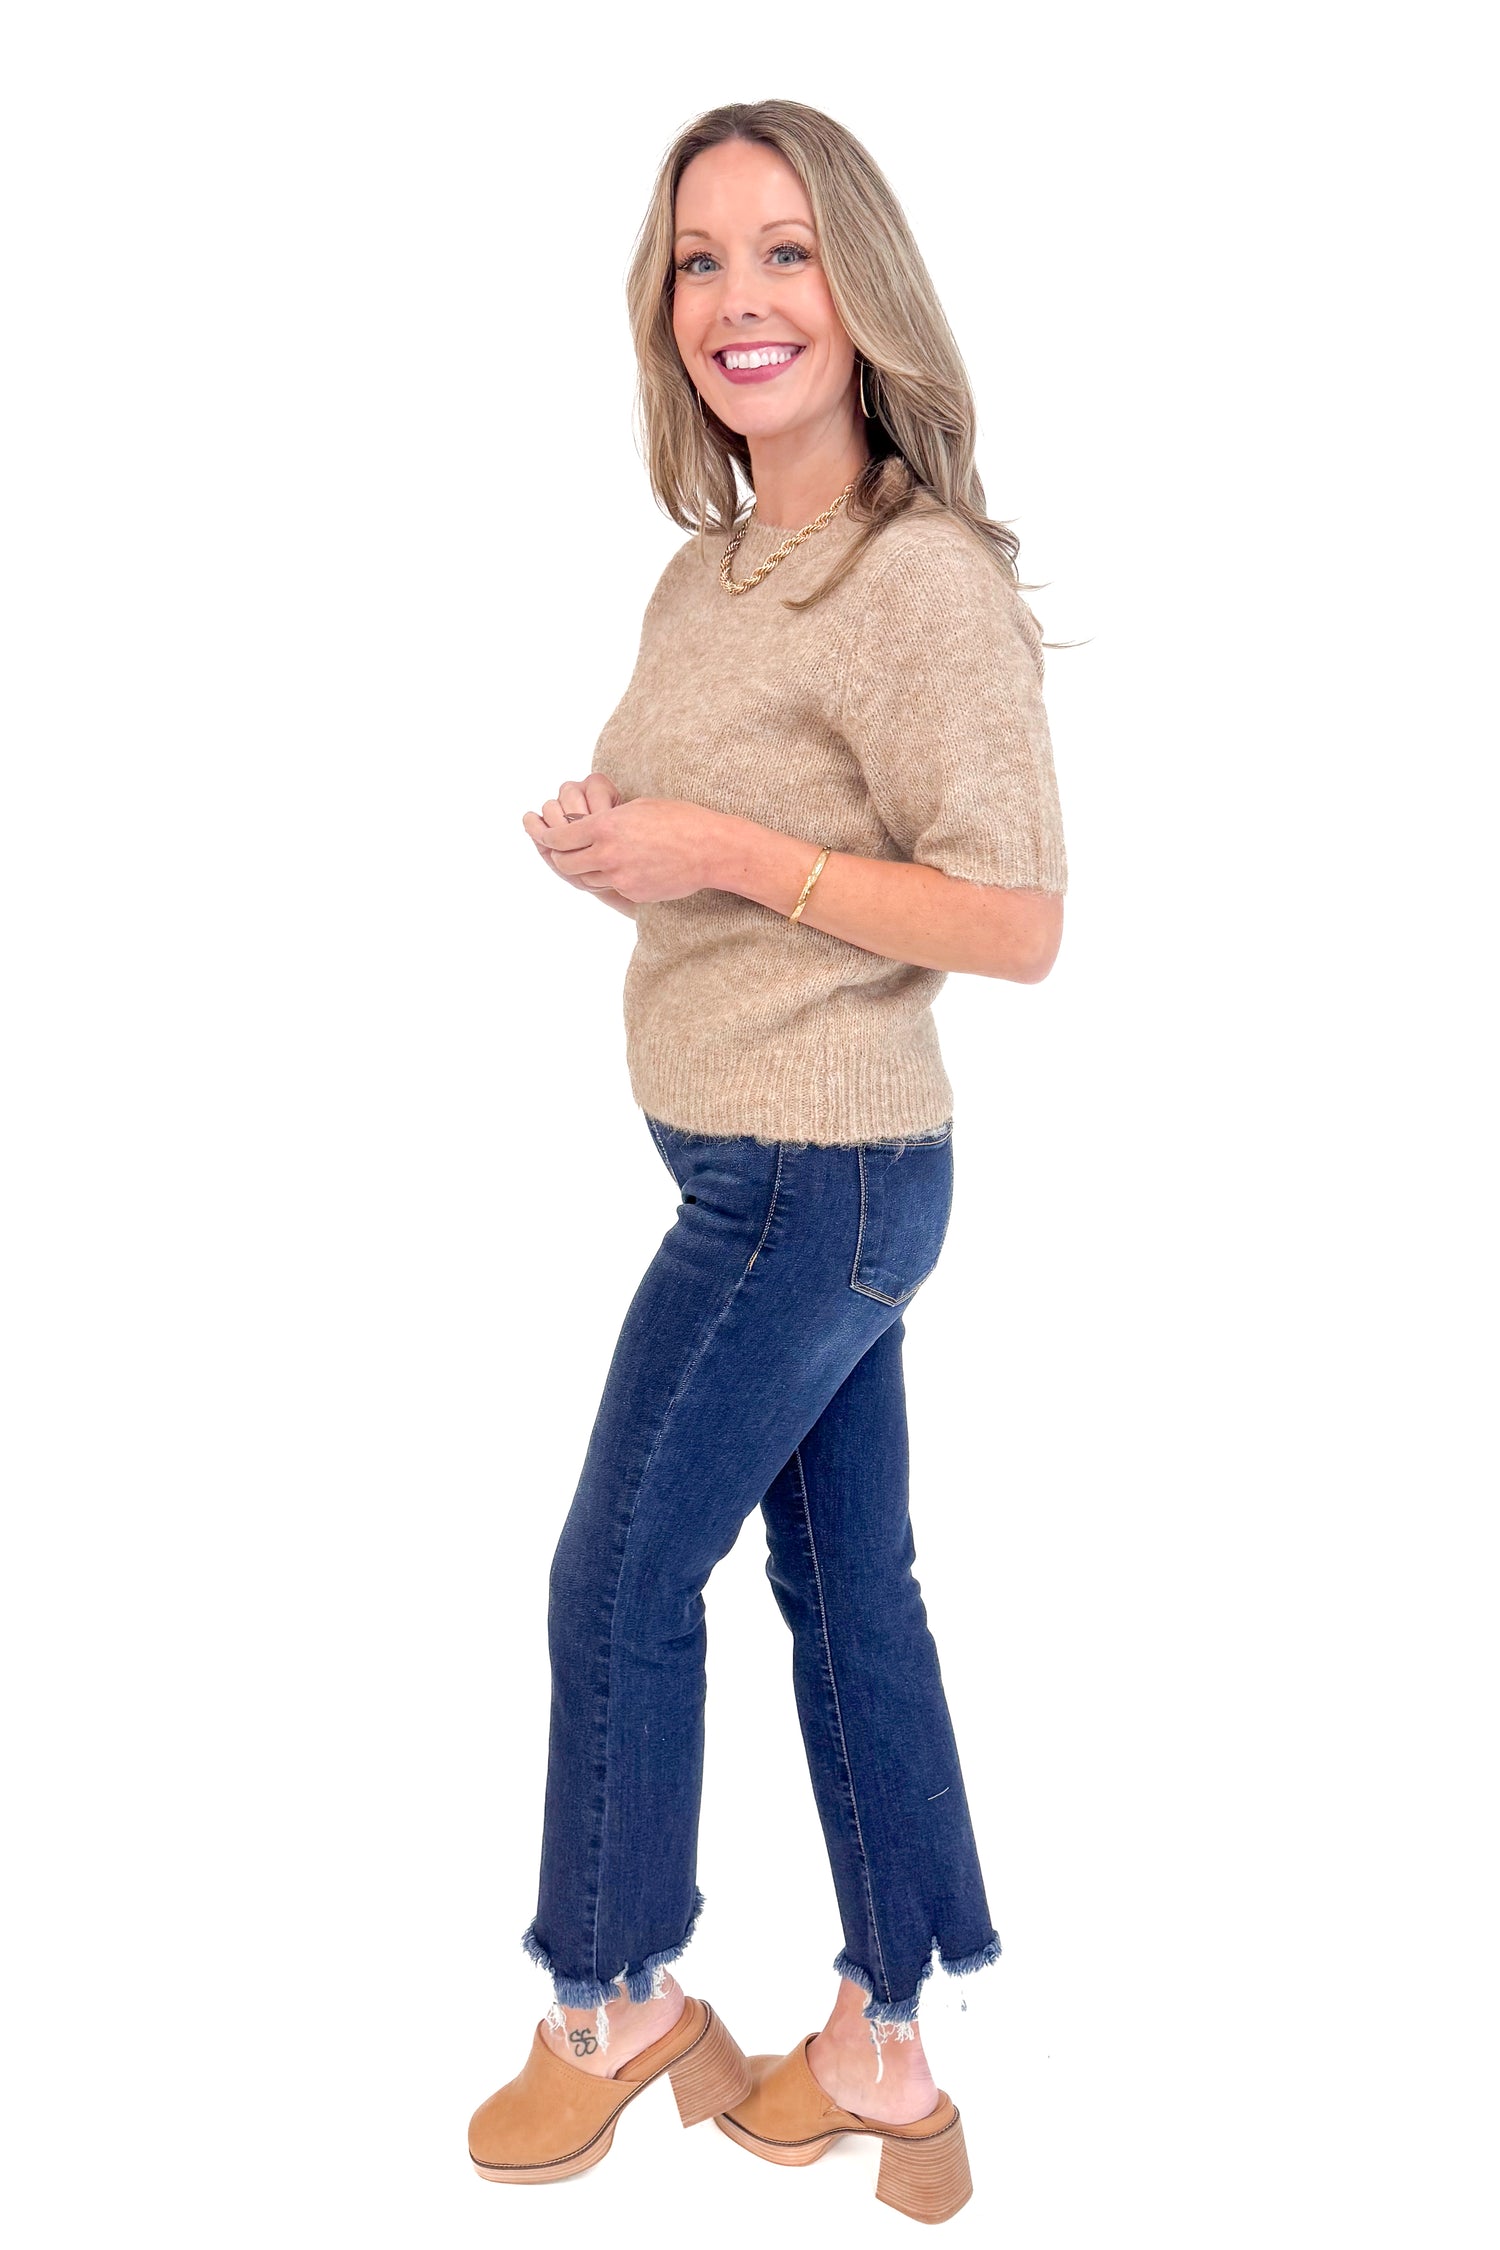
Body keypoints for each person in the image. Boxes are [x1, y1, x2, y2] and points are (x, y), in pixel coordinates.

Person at [467, 99, 1068, 2224]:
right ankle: (888, 2049)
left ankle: (618, 1998)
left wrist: (724, 852)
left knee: (619, 1572)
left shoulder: (922, 585)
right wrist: (623, 854)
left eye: (786, 252)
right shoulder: (707, 571)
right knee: (844, 1594)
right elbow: (728, 863)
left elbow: (1012, 919)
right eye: (702, 259)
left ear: (864, 289)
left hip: (816, 1189)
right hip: (751, 1163)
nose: (741, 300)